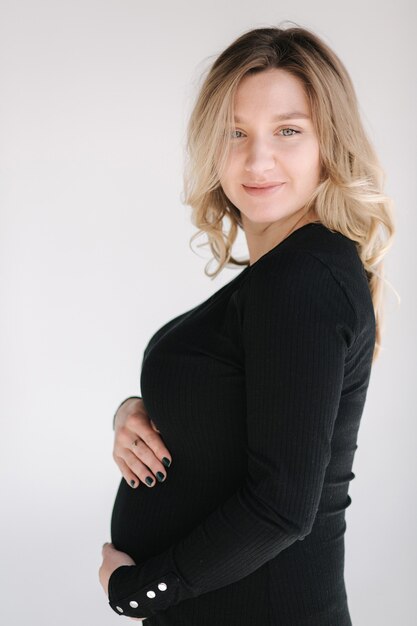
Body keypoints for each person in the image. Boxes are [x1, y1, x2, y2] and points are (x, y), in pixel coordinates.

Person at [98, 23, 395, 625]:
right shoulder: (287, 274)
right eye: (236, 133)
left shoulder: (303, 277)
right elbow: (241, 409)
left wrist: (138, 590)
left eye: (288, 131)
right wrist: (141, 410)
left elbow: (282, 509)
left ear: (328, 144)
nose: (258, 159)